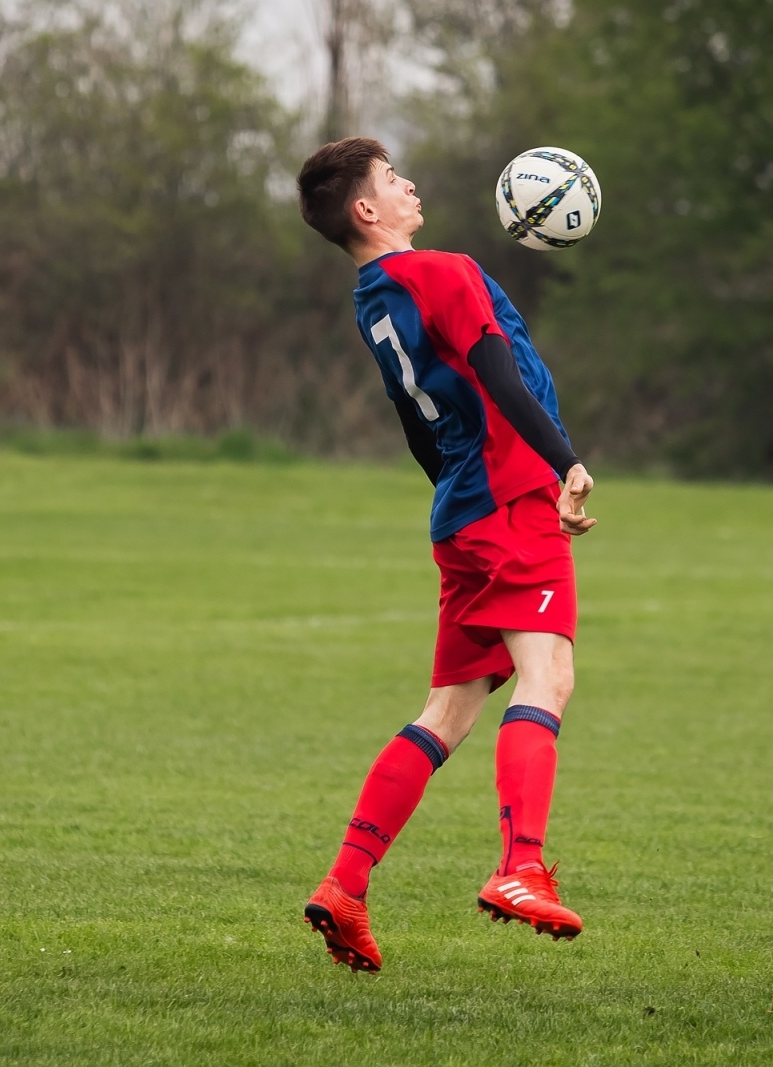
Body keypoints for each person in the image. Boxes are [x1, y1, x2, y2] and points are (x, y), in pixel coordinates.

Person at [295, 138, 597, 971]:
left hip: (462, 510)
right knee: (550, 677)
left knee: (449, 709)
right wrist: (561, 458)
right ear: (366, 209)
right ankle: (520, 866)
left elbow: (413, 418)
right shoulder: (440, 270)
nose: (410, 186)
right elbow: (496, 368)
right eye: (394, 181)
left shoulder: (373, 297)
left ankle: (345, 886)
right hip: (510, 494)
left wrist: (455, 496)